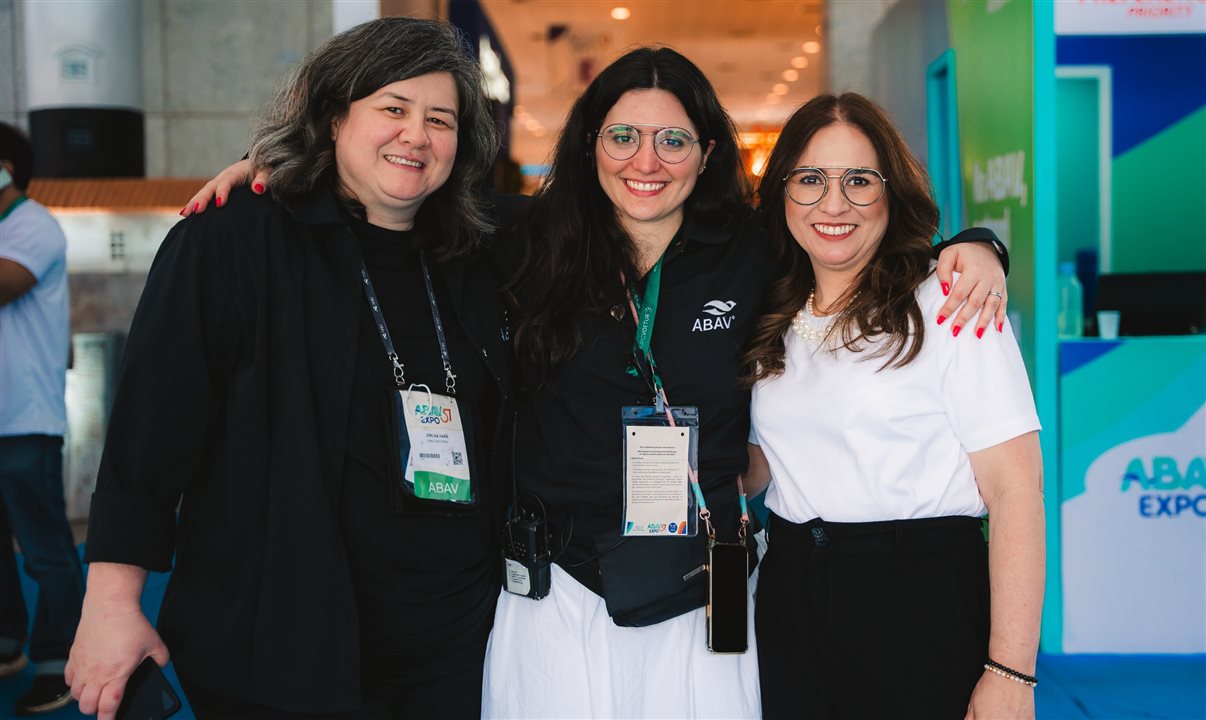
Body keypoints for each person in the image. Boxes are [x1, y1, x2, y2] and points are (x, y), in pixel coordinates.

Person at [185, 48, 1010, 719]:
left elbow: (845, 220)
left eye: (673, 140)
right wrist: (281, 167)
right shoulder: (521, 241)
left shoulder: (751, 249)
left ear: (709, 153)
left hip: (702, 593)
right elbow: (398, 183)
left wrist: (975, 246)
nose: (645, 162)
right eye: (622, 137)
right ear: (589, 145)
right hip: (555, 593)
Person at [64, 18, 509, 719]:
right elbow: (151, 432)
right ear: (334, 117)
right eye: (392, 109)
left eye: (440, 119)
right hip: (280, 641)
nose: (416, 136)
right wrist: (111, 602)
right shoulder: (234, 239)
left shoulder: (486, 252)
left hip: (456, 645)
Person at [744, 93, 1044, 719]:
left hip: (919, 603)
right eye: (810, 180)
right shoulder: (772, 310)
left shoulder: (951, 303)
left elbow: (1016, 490)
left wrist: (1012, 670)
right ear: (782, 194)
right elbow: (778, 459)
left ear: (893, 193)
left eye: (859, 180)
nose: (834, 204)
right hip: (789, 599)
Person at [0, 122, 83, 716]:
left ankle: (61, 663)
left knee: (46, 548)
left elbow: (5, 284)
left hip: (26, 419)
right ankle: (8, 643)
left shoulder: (34, 225)